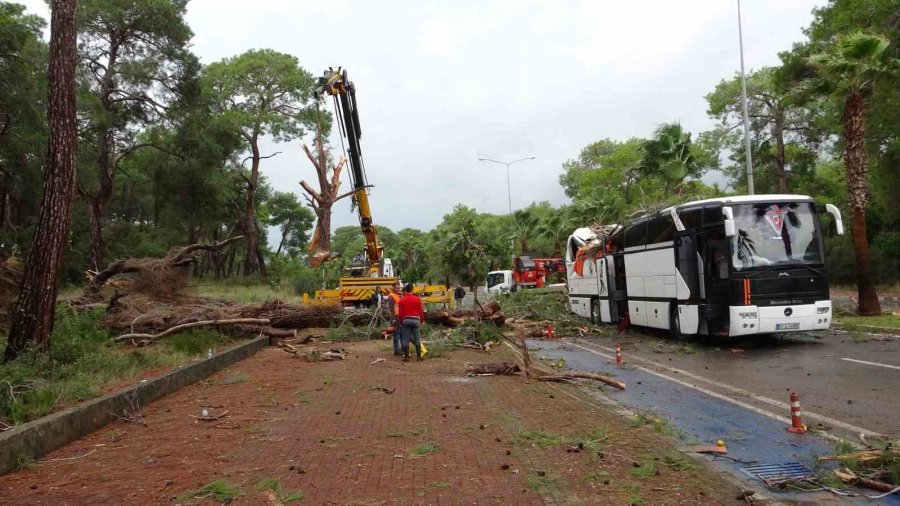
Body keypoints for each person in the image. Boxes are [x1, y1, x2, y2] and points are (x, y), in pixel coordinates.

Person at [398, 283, 425, 361]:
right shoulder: (417, 299)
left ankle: (406, 357)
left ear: (405, 290)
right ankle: (419, 356)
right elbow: (420, 311)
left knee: (406, 339)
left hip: (406, 320)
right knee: (417, 339)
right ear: (412, 289)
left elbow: (401, 313)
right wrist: (422, 320)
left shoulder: (402, 300)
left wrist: (401, 322)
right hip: (415, 320)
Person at [386, 283, 403, 355]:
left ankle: (400, 349)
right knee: (396, 334)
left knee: (400, 333)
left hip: (399, 317)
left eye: (399, 288)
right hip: (395, 317)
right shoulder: (391, 296)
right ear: (393, 287)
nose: (398, 289)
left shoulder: (397, 295)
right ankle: (396, 350)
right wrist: (393, 319)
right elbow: (391, 309)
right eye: (397, 288)